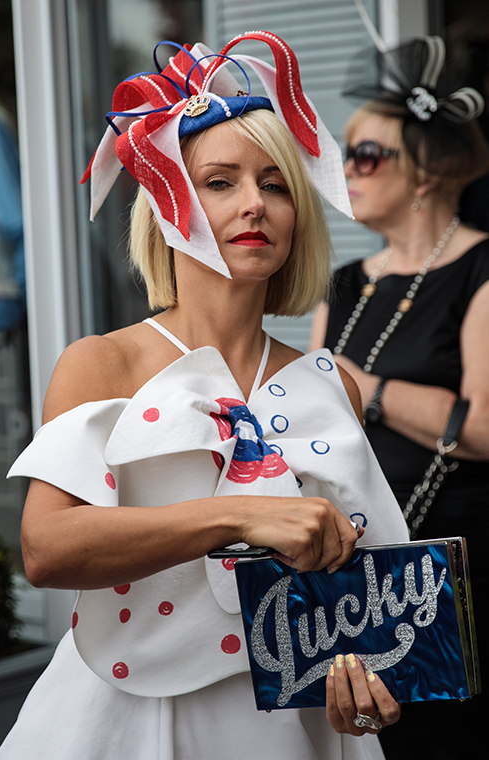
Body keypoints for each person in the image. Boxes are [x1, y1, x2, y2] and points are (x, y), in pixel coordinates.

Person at [0, 33, 409, 759]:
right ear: (164, 205)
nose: (254, 203)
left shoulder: (329, 381)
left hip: (293, 727)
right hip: (126, 717)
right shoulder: (103, 363)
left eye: (276, 183)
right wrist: (241, 514)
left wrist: (363, 689)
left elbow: (363, 594)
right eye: (220, 182)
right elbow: (47, 547)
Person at [310, 35, 489, 760]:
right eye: (344, 151)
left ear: (425, 173)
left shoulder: (479, 267)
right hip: (365, 564)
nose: (346, 168)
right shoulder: (347, 284)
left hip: (462, 563)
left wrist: (367, 387)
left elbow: (480, 428)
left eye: (367, 154)